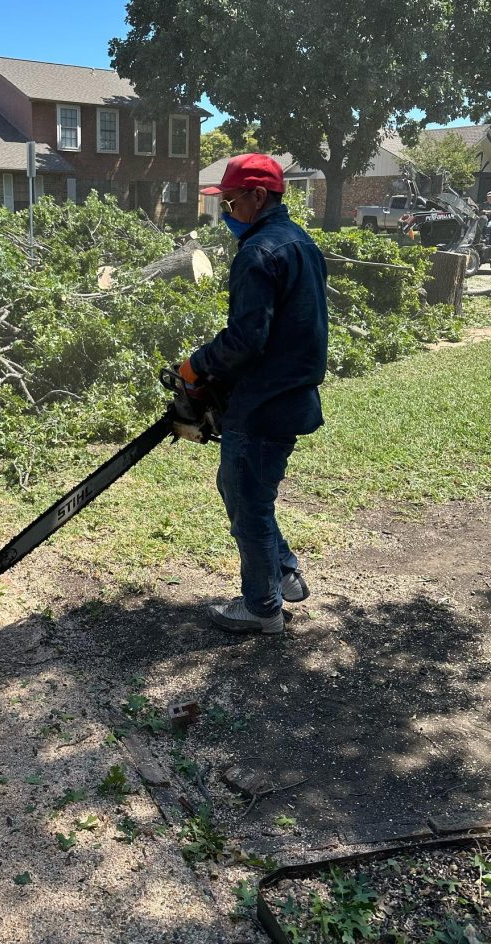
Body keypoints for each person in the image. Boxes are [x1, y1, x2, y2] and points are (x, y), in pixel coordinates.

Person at [178, 154, 328, 634]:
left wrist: (196, 365)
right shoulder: (301, 243)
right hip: (288, 391)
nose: (226, 212)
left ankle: (263, 608)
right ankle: (284, 574)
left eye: (231, 201)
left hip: (264, 400)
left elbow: (247, 339)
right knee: (242, 491)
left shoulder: (259, 252)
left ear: (258, 197)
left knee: (248, 503)